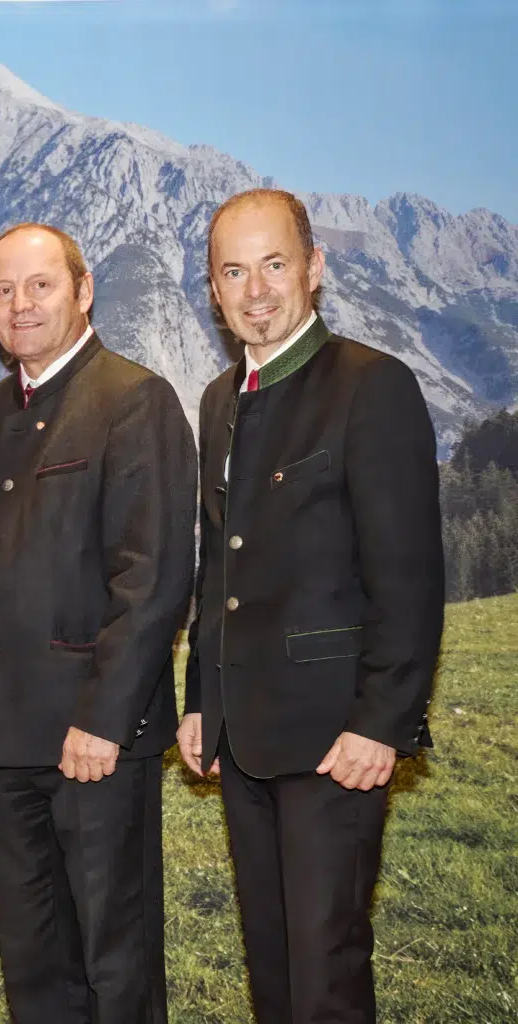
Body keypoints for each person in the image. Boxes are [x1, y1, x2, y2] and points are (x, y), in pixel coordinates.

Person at [179, 188, 444, 1023]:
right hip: (244, 739)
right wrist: (200, 701)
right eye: (234, 272)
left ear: (313, 269)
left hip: (337, 740)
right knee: (272, 966)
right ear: (214, 291)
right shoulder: (221, 401)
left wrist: (383, 722)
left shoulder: (374, 385)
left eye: (273, 265)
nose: (256, 290)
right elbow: (217, 567)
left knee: (325, 973)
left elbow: (409, 578)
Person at [0, 223, 196, 1024]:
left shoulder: (133, 398)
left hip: (95, 740)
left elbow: (152, 580)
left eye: (40, 285)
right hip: (5, 735)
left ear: (83, 291)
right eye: (3, 290)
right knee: (34, 966)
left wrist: (103, 719)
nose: (20, 305)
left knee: (114, 963)